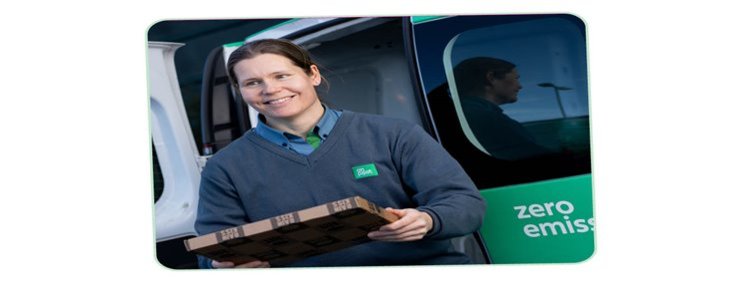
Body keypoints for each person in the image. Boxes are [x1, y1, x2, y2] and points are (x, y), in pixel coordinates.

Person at [195, 39, 486, 268]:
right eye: (252, 83)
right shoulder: (224, 167)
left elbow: (465, 204)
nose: (270, 89)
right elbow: (213, 248)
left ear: (313, 75)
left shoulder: (393, 134)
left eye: (281, 75)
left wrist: (428, 219)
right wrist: (219, 266)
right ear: (240, 90)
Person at [453, 57, 554, 161]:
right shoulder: (486, 119)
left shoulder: (465, 113)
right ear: (491, 78)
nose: (520, 86)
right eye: (516, 78)